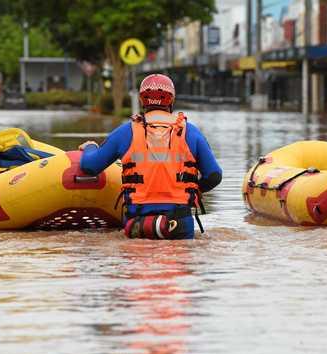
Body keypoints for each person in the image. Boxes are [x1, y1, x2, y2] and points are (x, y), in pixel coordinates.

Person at [78, 74, 222, 239]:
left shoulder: (126, 132)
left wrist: (90, 146)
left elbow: (89, 166)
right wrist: (193, 191)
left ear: (141, 100)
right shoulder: (191, 132)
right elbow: (214, 175)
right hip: (179, 223)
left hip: (137, 223)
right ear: (171, 100)